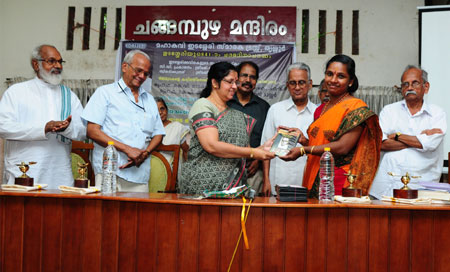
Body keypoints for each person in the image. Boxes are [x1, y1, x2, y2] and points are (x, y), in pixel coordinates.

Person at [281, 55, 382, 197]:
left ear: (351, 81)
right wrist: (304, 141)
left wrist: (304, 150)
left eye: (340, 76)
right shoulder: (321, 109)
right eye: (329, 74)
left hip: (339, 180)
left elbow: (342, 147)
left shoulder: (355, 108)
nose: (333, 80)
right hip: (314, 174)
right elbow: (322, 144)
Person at [178, 62, 275, 195]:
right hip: (202, 187)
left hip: (233, 189)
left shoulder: (238, 115)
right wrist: (253, 152)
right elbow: (211, 145)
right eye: (230, 82)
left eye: (235, 82)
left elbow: (244, 150)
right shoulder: (203, 105)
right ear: (215, 83)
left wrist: (263, 148)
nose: (235, 86)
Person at [0, 44, 85, 188]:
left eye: (60, 61)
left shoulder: (68, 95)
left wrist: (65, 128)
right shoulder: (16, 92)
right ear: (36, 64)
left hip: (59, 173)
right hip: (24, 170)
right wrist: (43, 128)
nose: (57, 65)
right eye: (51, 61)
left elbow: (83, 132)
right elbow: (3, 126)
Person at [82, 50, 165, 192]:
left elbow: (158, 134)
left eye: (146, 73)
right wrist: (127, 150)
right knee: (107, 214)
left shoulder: (150, 100)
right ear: (125, 67)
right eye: (138, 71)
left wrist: (144, 154)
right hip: (110, 172)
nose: (142, 76)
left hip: (139, 173)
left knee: (137, 214)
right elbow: (92, 131)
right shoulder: (105, 93)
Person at [369, 65, 447, 199]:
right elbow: (382, 144)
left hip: (423, 185)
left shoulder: (437, 114)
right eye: (405, 84)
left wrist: (398, 136)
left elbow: (430, 145)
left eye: (414, 83)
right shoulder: (389, 111)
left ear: (426, 87)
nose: (409, 88)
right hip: (387, 184)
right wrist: (420, 138)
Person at [260, 62, 317, 196]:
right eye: (293, 83)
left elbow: (321, 149)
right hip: (278, 182)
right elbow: (265, 148)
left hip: (307, 184)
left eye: (302, 82)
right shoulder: (275, 110)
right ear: (287, 85)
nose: (297, 87)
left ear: (310, 84)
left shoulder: (318, 113)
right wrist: (266, 180)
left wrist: (305, 141)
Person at [227, 61, 270, 194]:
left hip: (254, 171)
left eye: (252, 77)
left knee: (253, 212)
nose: (248, 80)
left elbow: (267, 139)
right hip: (227, 168)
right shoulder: (225, 103)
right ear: (236, 78)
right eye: (244, 75)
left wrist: (258, 159)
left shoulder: (264, 107)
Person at [154, 97, 190, 162]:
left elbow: (186, 151)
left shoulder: (177, 128)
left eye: (162, 109)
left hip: (172, 170)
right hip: (153, 169)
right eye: (155, 110)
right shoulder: (148, 130)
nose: (160, 112)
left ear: (167, 110)